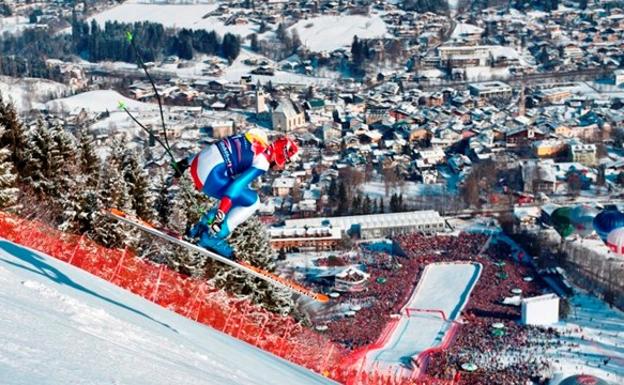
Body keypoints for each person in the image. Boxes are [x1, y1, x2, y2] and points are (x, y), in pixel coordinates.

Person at [174, 129, 299, 258]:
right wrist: (221, 213)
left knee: (238, 198)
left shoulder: (254, 139)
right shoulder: (262, 162)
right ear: (281, 155)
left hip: (197, 164)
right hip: (208, 178)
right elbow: (236, 186)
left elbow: (218, 149)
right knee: (252, 202)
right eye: (286, 162)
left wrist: (185, 163)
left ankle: (199, 229)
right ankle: (213, 236)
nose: (283, 167)